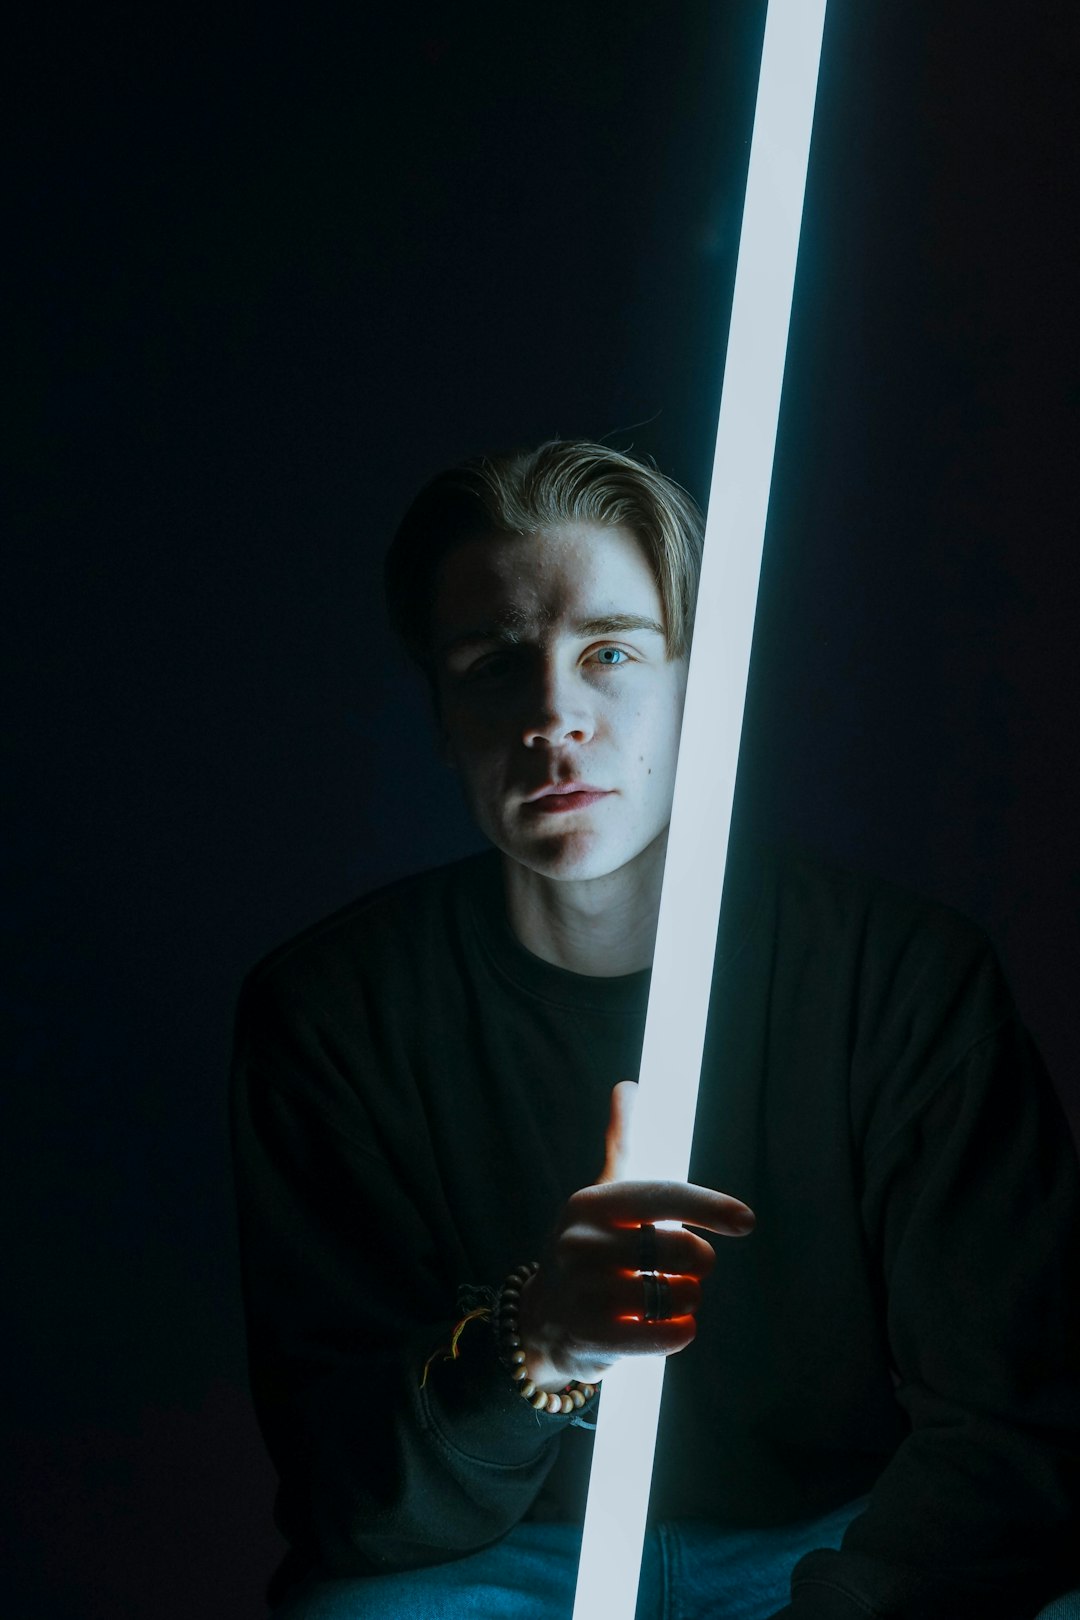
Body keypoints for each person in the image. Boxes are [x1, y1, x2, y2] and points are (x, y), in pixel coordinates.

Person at [229, 439, 1080, 1618]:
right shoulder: (332, 1014)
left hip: (842, 1542)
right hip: (497, 1571)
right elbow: (350, 1500)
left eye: (612, 652)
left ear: (703, 681)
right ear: (439, 713)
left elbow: (1020, 1431)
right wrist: (537, 1344)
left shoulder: (901, 978)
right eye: (491, 665)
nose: (552, 716)